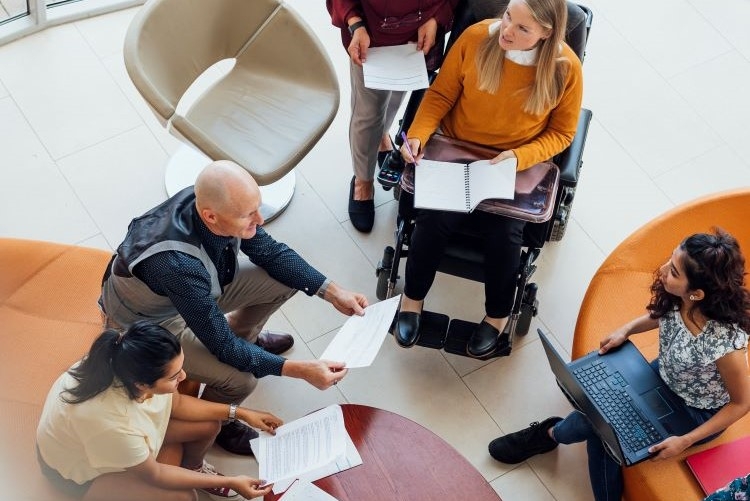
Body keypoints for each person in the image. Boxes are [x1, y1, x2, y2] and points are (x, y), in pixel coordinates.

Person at [100, 160, 368, 456]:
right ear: (210, 217)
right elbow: (223, 346)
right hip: (151, 323)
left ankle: (248, 342)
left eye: (257, 208)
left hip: (196, 291)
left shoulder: (213, 203)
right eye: (248, 215)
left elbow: (271, 252)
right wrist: (300, 370)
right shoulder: (178, 265)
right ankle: (222, 421)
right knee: (241, 379)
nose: (260, 220)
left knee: (284, 279)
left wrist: (332, 292)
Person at [488, 229, 750, 501]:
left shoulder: (725, 345)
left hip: (697, 413)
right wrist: (626, 330)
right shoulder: (683, 298)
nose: (662, 271)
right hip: (661, 376)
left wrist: (686, 440)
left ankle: (551, 433)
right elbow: (663, 316)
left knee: (599, 425)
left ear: (696, 293)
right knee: (603, 421)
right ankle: (553, 435)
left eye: (673, 271)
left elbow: (741, 403)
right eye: (670, 261)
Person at [397, 0, 583, 355]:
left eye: (522, 28)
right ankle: (411, 299)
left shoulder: (566, 69)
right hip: (456, 148)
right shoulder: (477, 38)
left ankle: (497, 317)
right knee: (433, 220)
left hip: (511, 163)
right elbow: (440, 94)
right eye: (508, 17)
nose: (507, 30)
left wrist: (517, 157)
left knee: (505, 235)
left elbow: (561, 134)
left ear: (546, 33)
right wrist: (419, 133)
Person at [36, 321, 283, 501]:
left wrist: (241, 413)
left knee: (210, 425)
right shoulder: (108, 424)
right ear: (142, 385)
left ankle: (193, 467)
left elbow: (178, 404)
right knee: (184, 497)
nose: (185, 377)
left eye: (181, 367)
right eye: (175, 376)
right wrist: (230, 480)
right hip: (81, 472)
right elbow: (154, 475)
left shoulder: (126, 361)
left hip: (114, 439)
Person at [327, 0, 459, 233]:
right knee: (368, 113)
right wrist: (355, 24)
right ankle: (363, 181)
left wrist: (436, 17)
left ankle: (381, 137)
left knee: (397, 94)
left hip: (416, 37)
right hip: (369, 34)